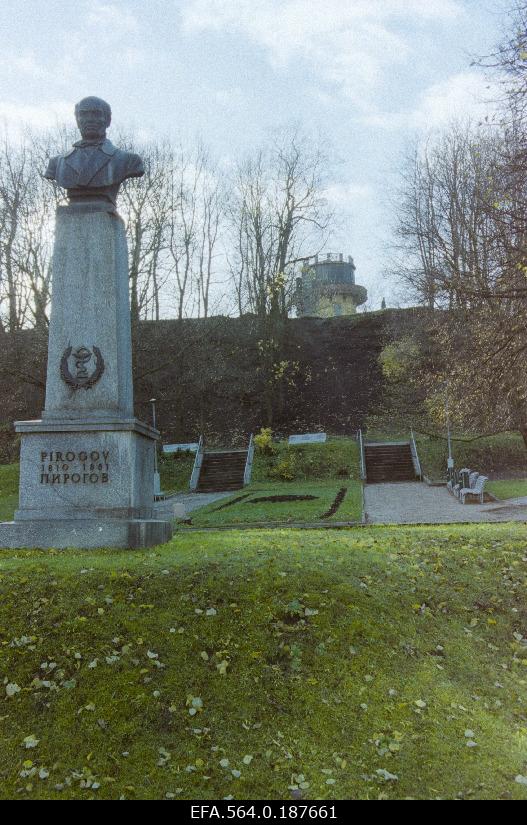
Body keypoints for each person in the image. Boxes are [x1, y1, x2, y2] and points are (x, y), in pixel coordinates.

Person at [44, 96, 144, 206]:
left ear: (108, 120)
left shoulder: (128, 161)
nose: (90, 119)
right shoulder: (56, 163)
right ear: (77, 120)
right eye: (83, 114)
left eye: (96, 114)